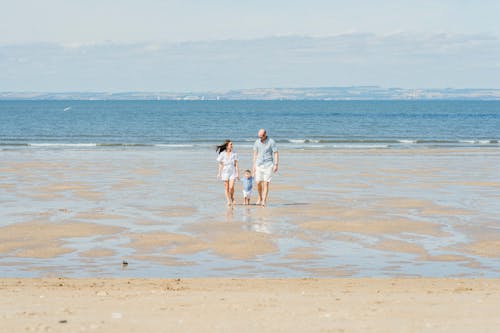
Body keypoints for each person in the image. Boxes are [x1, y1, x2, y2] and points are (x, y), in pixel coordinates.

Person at [252, 129, 278, 207]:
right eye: (259, 136)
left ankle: (264, 200)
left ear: (265, 135)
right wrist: (253, 165)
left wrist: (276, 164)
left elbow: (276, 153)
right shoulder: (257, 142)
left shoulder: (271, 141)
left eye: (261, 137)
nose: (260, 138)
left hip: (268, 164)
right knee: (258, 182)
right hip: (258, 164)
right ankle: (260, 197)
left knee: (266, 183)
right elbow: (255, 154)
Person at [216, 140, 239, 206]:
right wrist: (219, 173)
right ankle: (228, 200)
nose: (232, 145)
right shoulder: (222, 154)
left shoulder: (234, 153)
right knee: (226, 187)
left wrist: (237, 173)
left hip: (232, 171)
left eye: (232, 144)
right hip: (225, 172)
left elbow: (236, 164)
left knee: (231, 187)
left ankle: (232, 197)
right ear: (227, 146)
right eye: (230, 144)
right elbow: (220, 164)